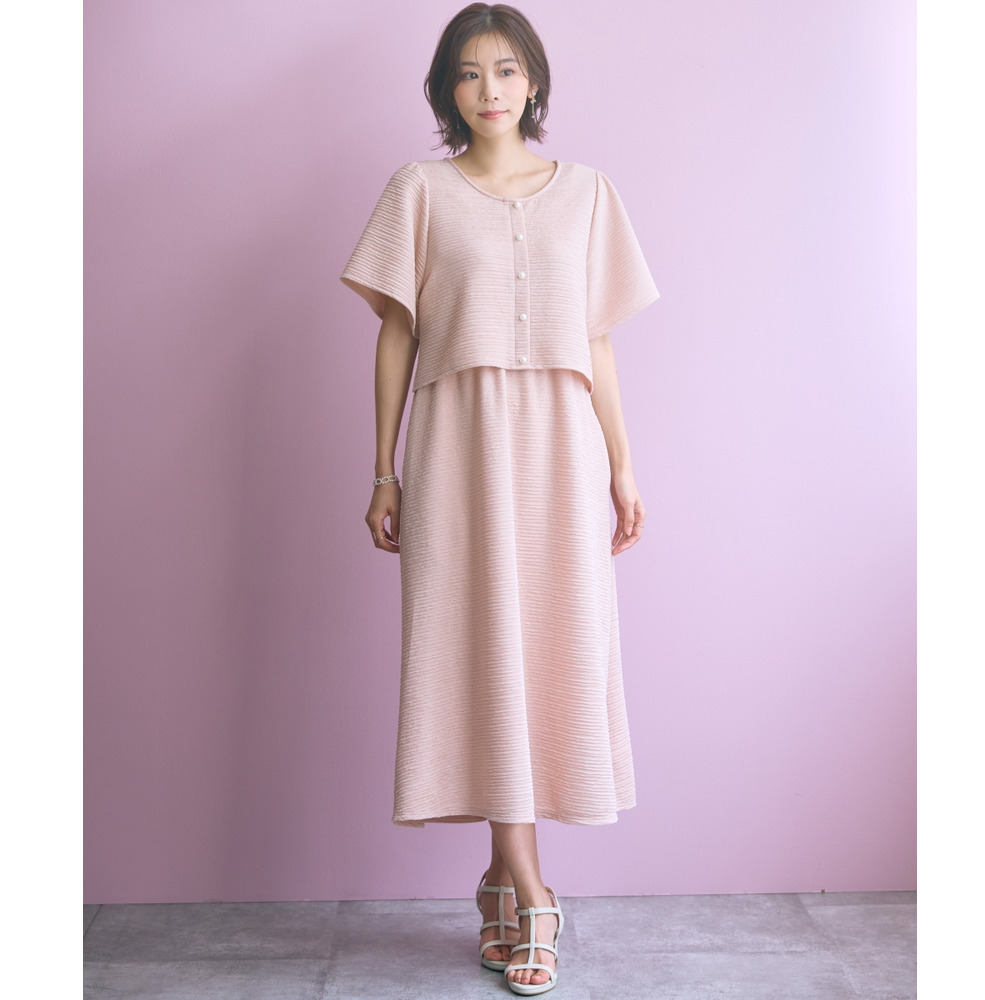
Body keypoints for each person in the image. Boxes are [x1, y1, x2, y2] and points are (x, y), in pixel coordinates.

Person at [341, 4, 658, 994]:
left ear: (535, 82)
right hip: (458, 445)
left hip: (560, 449)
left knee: (545, 649)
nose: (491, 90)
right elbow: (396, 332)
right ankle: (533, 891)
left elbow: (597, 338)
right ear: (447, 89)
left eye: (508, 70)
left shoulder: (589, 193)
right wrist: (383, 469)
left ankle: (495, 880)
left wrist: (622, 464)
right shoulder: (419, 191)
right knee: (476, 646)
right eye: (470, 72)